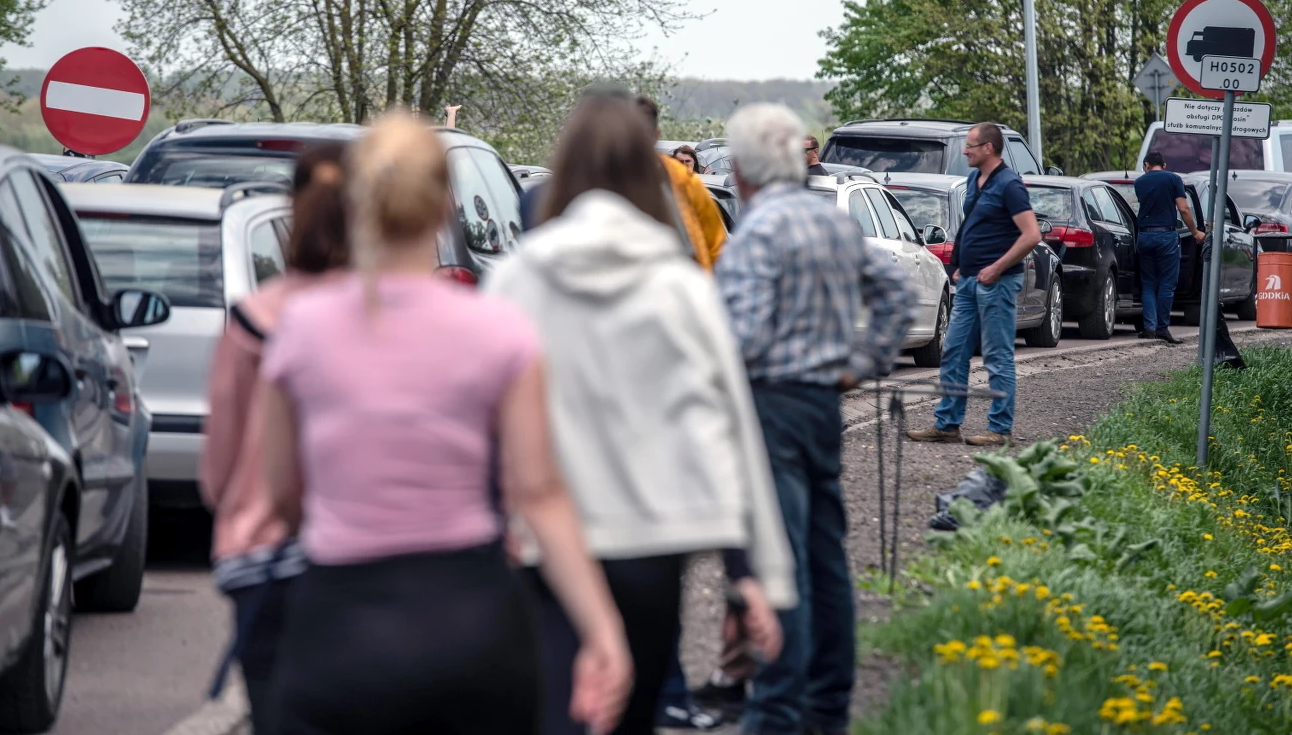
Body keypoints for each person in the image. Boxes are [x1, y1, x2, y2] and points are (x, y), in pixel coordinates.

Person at [260, 111, 632, 735]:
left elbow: (281, 491)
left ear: (355, 208)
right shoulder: (498, 329)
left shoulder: (300, 329)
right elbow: (538, 493)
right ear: (443, 212)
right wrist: (602, 629)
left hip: (340, 619)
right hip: (473, 617)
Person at [487, 93, 793, 735]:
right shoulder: (681, 287)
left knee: (557, 709)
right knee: (634, 714)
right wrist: (749, 571)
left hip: (549, 546)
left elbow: (483, 421)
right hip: (654, 546)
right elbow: (727, 426)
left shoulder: (517, 281)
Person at [716, 103, 914, 735]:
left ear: (743, 169)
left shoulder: (756, 232)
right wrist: (860, 362)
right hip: (822, 404)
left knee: (781, 561)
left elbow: (739, 337)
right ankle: (828, 704)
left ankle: (774, 713)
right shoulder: (831, 223)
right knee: (825, 557)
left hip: (769, 405)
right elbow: (897, 291)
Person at [199, 142, 350, 734]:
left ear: (295, 208)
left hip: (263, 557)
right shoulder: (390, 313)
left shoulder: (256, 318)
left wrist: (243, 510)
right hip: (371, 560)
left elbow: (220, 466)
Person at [909, 123, 1041, 447]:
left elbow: (1032, 235)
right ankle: (947, 424)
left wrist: (996, 268)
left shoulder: (1010, 185)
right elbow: (972, 225)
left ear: (989, 148)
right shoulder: (973, 179)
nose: (964, 151)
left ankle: (999, 430)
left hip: (997, 283)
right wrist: (957, 266)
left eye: (970, 145)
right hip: (968, 282)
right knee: (953, 351)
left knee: (997, 357)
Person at [636, 95, 728, 269]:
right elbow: (716, 249)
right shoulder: (686, 181)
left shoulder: (685, 180)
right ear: (656, 135)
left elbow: (716, 248)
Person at [1134, 151, 1204, 344]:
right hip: (1166, 236)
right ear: (1163, 165)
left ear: (1147, 165)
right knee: (1166, 283)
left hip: (1144, 236)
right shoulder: (1173, 179)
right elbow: (1183, 208)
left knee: (1148, 283)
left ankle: (1149, 327)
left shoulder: (1139, 182)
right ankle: (1162, 328)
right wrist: (1195, 231)